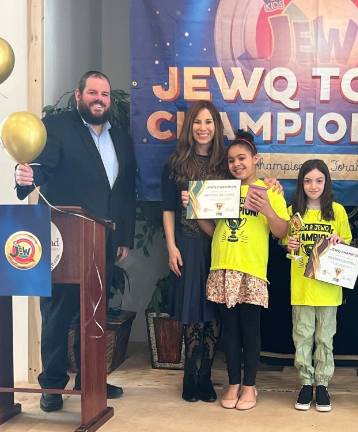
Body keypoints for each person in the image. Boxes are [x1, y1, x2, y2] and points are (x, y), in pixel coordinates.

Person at [14, 71, 136, 412]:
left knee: (94, 314)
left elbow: (125, 190)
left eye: (105, 94)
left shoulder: (121, 137)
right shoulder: (58, 126)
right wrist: (25, 177)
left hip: (103, 239)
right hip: (61, 239)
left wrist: (124, 235)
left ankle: (90, 381)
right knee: (57, 313)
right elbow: (41, 168)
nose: (100, 99)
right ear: (79, 96)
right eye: (93, 93)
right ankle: (52, 386)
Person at [185, 130, 289, 410]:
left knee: (250, 330)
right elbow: (213, 230)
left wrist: (267, 209)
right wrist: (195, 209)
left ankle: (250, 386)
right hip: (223, 268)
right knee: (229, 330)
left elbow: (282, 231)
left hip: (252, 269)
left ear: (255, 159)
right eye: (231, 160)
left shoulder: (270, 190)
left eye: (242, 158)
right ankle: (233, 383)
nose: (237, 164)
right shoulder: (224, 191)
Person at [161, 101, 228, 403]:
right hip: (187, 245)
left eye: (209, 122)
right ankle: (190, 374)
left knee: (212, 312)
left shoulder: (225, 164)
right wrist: (171, 246)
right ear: (190, 127)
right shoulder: (175, 163)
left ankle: (206, 377)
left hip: (219, 245)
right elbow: (167, 209)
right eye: (198, 122)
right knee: (192, 312)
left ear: (216, 126)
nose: (203, 128)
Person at [285, 159, 352, 413]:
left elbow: (346, 244)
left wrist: (339, 241)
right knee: (302, 337)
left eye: (319, 180)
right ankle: (305, 383)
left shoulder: (338, 212)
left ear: (327, 183)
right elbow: (288, 245)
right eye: (308, 181)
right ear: (301, 184)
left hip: (328, 288)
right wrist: (288, 245)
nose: (314, 186)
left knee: (325, 338)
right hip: (301, 287)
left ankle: (322, 385)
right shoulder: (294, 212)